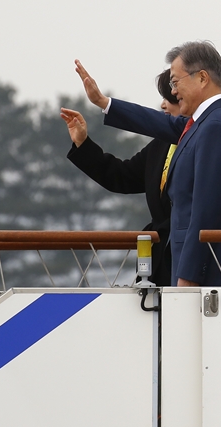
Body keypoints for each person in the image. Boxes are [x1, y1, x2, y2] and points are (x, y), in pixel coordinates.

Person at [74, 41, 221, 287]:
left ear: (202, 78)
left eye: (175, 82)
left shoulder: (218, 125)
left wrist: (189, 276)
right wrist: (104, 102)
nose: (173, 92)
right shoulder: (204, 123)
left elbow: (206, 209)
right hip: (191, 268)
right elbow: (160, 124)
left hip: (209, 274)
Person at [60, 71, 180, 287]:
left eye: (169, 98)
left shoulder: (205, 141)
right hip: (160, 264)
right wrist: (83, 143)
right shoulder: (160, 145)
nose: (163, 105)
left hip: (193, 262)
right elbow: (121, 176)